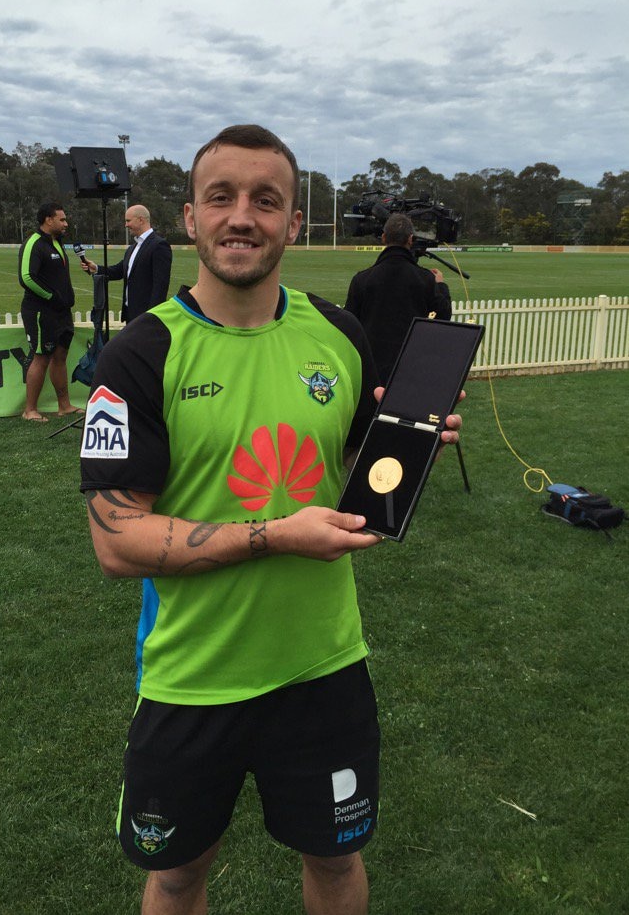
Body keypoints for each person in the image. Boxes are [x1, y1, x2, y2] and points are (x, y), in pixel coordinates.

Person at [79, 125, 462, 915]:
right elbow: (116, 541)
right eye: (221, 197)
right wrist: (274, 535)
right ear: (192, 217)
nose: (241, 216)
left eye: (265, 200)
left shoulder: (339, 335)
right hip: (192, 677)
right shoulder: (141, 354)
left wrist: (409, 444)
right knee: (178, 875)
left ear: (293, 223)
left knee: (335, 862)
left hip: (323, 667)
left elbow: (361, 480)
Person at [344, 212, 453, 385]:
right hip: (412, 368)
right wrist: (440, 285)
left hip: (370, 370)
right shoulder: (424, 279)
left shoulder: (362, 279)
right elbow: (444, 315)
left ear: (384, 238)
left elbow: (349, 325)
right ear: (410, 239)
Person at [18, 201, 82, 422]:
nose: (66, 223)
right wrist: (52, 298)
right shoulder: (34, 243)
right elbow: (26, 277)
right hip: (40, 311)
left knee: (60, 356)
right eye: (62, 219)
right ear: (48, 219)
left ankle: (64, 406)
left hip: (61, 312)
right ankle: (30, 410)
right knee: (41, 357)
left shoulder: (57, 242)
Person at [80, 204, 172, 323]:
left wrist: (152, 316)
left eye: (128, 221)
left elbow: (161, 285)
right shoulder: (132, 248)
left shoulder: (159, 245)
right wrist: (96, 268)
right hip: (130, 314)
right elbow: (119, 271)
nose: (126, 225)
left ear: (141, 220)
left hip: (146, 316)